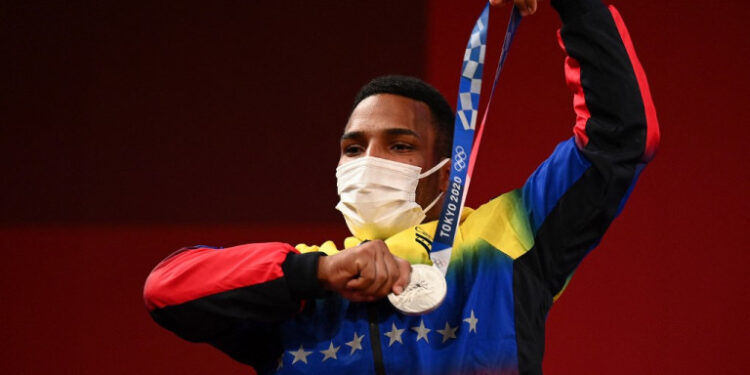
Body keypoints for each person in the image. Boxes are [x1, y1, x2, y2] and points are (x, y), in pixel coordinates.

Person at [143, 0, 659, 373]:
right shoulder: (301, 282)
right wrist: (317, 273)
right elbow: (165, 290)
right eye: (352, 148)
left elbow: (619, 136)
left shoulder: (507, 236)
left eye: (399, 145)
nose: (369, 162)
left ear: (445, 167)